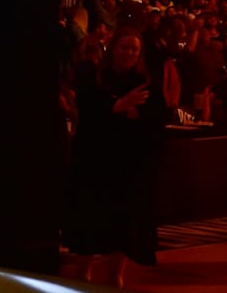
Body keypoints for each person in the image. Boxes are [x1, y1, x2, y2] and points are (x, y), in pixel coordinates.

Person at [63, 28, 166, 287]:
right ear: (113, 48)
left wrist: (135, 114)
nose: (129, 53)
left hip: (129, 165)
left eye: (134, 49)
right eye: (124, 47)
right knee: (90, 218)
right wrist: (117, 107)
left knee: (122, 223)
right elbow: (88, 109)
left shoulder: (145, 81)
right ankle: (82, 273)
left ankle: (115, 275)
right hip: (95, 161)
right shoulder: (94, 76)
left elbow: (156, 115)